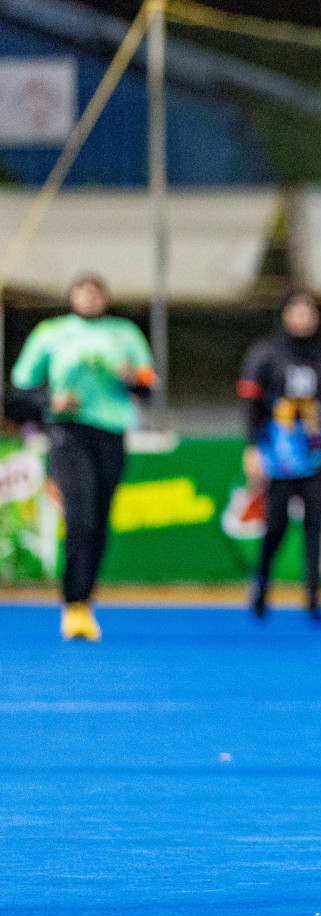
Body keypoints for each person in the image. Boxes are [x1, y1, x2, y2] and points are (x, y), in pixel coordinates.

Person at [11, 273, 154, 641]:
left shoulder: (125, 334)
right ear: (72, 296)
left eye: (96, 292)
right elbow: (18, 391)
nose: (89, 298)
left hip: (110, 433)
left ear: (105, 297)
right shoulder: (51, 332)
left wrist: (132, 379)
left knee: (100, 517)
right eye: (82, 291)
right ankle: (72, 602)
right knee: (80, 513)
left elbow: (147, 384)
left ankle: (85, 599)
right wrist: (49, 402)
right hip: (68, 432)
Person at [238, 289, 321, 622]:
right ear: (285, 314)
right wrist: (252, 448)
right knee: (275, 527)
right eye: (296, 311)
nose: (302, 318)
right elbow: (251, 406)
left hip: (317, 457)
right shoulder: (265, 354)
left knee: (315, 527)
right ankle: (262, 585)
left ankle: (313, 595)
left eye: (309, 311)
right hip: (279, 459)